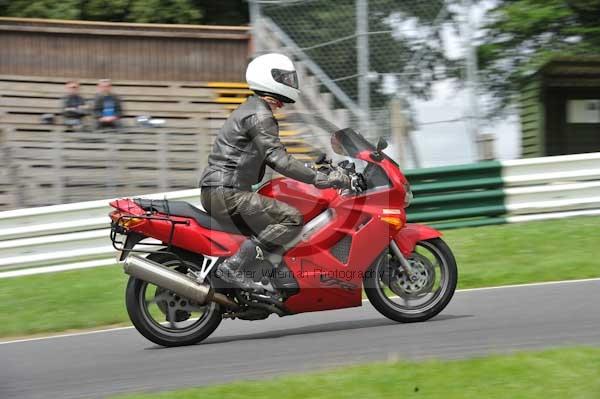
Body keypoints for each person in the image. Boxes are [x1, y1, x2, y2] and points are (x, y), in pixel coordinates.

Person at [199, 53, 351, 291]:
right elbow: (278, 159)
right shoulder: (259, 115)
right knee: (292, 218)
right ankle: (234, 268)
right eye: (285, 78)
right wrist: (321, 178)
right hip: (227, 192)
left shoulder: (254, 110)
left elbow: (276, 153)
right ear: (269, 79)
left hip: (221, 190)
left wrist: (312, 167)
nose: (290, 83)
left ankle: (270, 274)